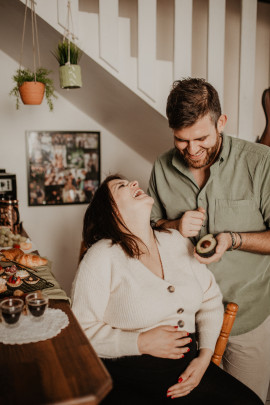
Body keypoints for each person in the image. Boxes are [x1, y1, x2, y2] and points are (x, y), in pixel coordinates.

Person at [71, 174, 263, 405]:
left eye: (130, 181)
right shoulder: (102, 256)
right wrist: (139, 342)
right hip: (131, 376)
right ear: (110, 210)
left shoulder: (177, 241)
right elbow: (79, 334)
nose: (134, 183)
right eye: (121, 186)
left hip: (188, 368)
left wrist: (204, 358)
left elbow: (210, 301)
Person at [147, 77, 270, 403]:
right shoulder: (161, 166)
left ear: (221, 122)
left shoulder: (260, 162)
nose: (192, 149)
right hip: (186, 322)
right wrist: (174, 225)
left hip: (248, 317)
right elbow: (146, 232)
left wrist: (232, 239)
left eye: (201, 137)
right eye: (181, 140)